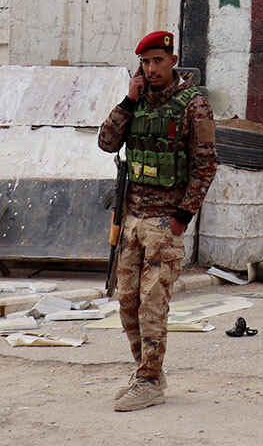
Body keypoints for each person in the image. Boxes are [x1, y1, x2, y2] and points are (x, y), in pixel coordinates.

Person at [97, 30, 217, 412]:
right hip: (132, 217)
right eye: (146, 62)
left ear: (172, 60)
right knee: (127, 301)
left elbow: (205, 164)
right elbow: (106, 142)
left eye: (158, 61)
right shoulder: (137, 102)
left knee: (153, 303)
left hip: (164, 222)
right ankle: (145, 371)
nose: (151, 69)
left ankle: (149, 380)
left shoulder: (193, 105)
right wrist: (129, 101)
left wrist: (182, 218)